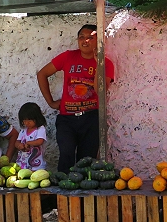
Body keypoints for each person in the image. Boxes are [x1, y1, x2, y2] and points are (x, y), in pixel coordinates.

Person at [37, 24, 115, 174]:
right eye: (82, 37)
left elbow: (101, 90)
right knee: (66, 154)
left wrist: (99, 63)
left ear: (99, 41)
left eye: (90, 38)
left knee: (86, 160)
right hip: (67, 118)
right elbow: (42, 74)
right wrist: (51, 102)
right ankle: (63, 195)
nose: (85, 41)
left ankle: (83, 196)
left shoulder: (107, 63)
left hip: (91, 118)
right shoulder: (68, 56)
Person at [15, 102, 48, 171]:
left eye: (29, 120)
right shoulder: (23, 130)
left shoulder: (40, 129)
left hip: (36, 166)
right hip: (22, 163)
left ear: (37, 118)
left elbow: (40, 141)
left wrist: (28, 143)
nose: (27, 123)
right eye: (24, 120)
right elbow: (17, 142)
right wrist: (19, 145)